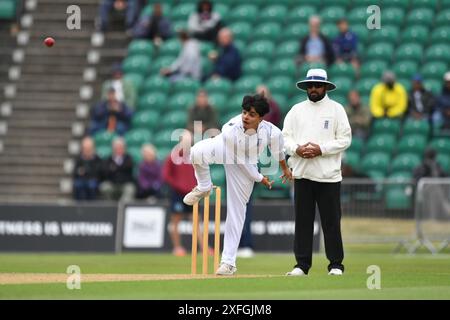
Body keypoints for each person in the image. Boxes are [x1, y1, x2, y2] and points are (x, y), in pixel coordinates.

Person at [183, 93, 293, 275]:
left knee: (237, 211)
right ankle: (204, 186)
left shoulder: (273, 133)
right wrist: (260, 178)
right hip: (225, 149)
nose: (245, 117)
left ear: (261, 118)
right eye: (244, 112)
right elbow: (240, 160)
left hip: (248, 160)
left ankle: (228, 263)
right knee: (195, 152)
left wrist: (286, 170)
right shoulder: (230, 129)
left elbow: (279, 153)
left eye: (251, 114)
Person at [282, 68, 351, 276]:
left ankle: (336, 264)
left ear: (325, 87)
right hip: (302, 175)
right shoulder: (296, 110)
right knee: (303, 222)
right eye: (310, 85)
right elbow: (285, 138)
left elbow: (345, 139)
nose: (313, 89)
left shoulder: (337, 109)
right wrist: (297, 149)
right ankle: (302, 265)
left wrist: (321, 149)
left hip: (328, 176)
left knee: (331, 222)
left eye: (317, 85)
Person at [162, 130, 211, 256]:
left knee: (196, 221)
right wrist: (178, 185)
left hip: (193, 192)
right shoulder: (173, 156)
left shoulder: (195, 155)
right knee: (176, 221)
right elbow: (166, 175)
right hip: (178, 194)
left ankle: (203, 248)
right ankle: (177, 248)